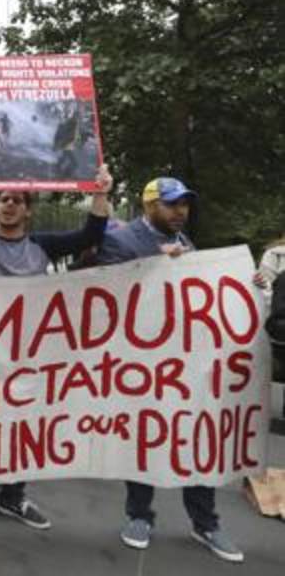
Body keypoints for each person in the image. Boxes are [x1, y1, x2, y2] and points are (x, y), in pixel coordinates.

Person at [0, 156, 112, 530]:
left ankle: (14, 495)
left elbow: (90, 235)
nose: (10, 204)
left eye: (18, 200)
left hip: (30, 356)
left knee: (21, 425)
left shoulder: (43, 246)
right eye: (4, 199)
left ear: (28, 212)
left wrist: (100, 193)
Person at [94, 178, 243, 563]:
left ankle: (205, 522)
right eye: (173, 204)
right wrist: (156, 267)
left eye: (185, 206)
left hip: (186, 365)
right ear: (149, 206)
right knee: (146, 436)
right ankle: (139, 516)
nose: (181, 212)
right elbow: (107, 294)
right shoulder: (122, 241)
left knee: (196, 438)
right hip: (143, 364)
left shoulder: (188, 245)